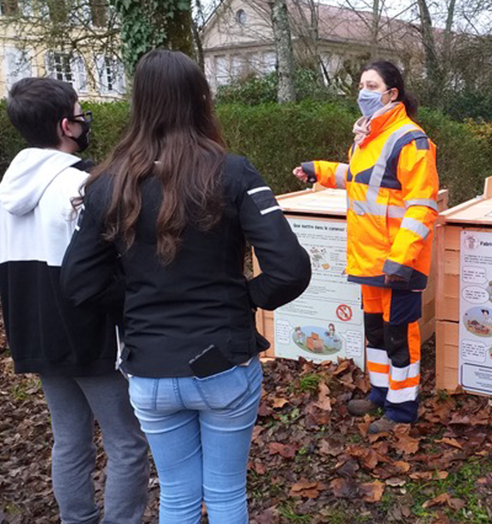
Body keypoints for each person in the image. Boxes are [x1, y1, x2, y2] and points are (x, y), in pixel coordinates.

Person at [61, 50, 311, 524]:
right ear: (202, 100)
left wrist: (136, 303)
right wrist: (244, 299)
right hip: (224, 365)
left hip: (150, 369)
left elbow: (79, 282)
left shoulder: (108, 183)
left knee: (176, 496)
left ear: (139, 104)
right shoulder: (233, 172)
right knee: (224, 495)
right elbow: (291, 269)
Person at [0, 77, 149, 524]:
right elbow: (114, 260)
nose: (85, 122)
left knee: (69, 439)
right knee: (126, 442)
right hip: (91, 332)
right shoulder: (83, 185)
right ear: (67, 125)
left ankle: (77, 519)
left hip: (34, 333)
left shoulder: (3, 194)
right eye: (81, 114)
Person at [293, 60, 439, 433]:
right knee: (376, 333)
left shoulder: (411, 140)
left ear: (392, 93)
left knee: (400, 337)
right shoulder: (367, 138)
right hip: (370, 259)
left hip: (397, 263)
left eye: (371, 86)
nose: (363, 92)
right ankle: (380, 393)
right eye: (361, 85)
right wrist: (320, 171)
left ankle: (402, 412)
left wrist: (401, 259)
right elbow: (357, 180)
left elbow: (422, 205)